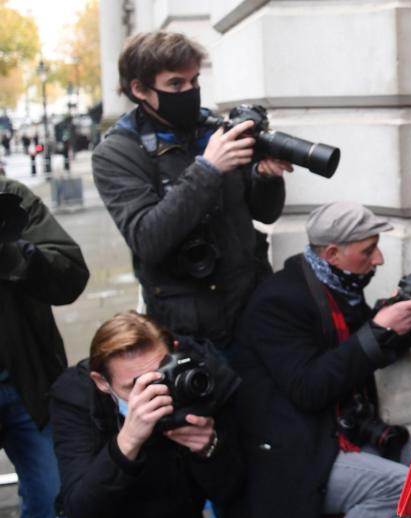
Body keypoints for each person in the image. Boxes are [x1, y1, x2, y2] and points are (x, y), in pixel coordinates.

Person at [219, 202, 411, 518]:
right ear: (332, 253)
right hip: (288, 454)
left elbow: (356, 352)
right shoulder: (278, 302)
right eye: (368, 251)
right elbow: (309, 387)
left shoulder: (338, 289)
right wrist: (375, 331)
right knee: (398, 487)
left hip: (336, 434)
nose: (379, 259)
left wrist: (402, 327)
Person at [92, 31, 291, 349]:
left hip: (252, 306)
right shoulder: (117, 153)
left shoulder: (212, 129)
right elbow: (148, 238)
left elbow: (265, 212)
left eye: (194, 81)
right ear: (140, 89)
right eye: (175, 84)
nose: (189, 92)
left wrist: (266, 177)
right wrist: (208, 169)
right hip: (190, 328)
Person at [48, 312, 243, 518]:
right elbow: (82, 513)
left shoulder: (201, 378)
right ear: (102, 383)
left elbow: (233, 491)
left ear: (174, 351)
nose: (153, 392)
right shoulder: (76, 397)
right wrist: (127, 442)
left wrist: (209, 450)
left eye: (159, 375)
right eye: (134, 387)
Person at [0, 178, 89, 518]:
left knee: (56, 493)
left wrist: (14, 255)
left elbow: (71, 277)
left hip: (24, 383)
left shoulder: (10, 197)